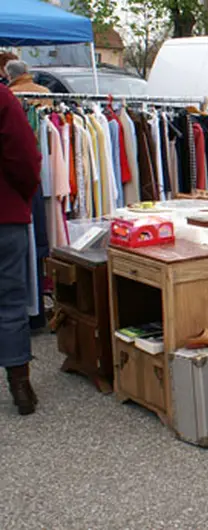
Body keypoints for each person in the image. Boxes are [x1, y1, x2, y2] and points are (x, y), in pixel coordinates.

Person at [0, 83, 42, 415]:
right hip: (4, 215)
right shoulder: (2, 99)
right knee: (10, 301)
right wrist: (21, 197)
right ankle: (20, 387)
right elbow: (25, 157)